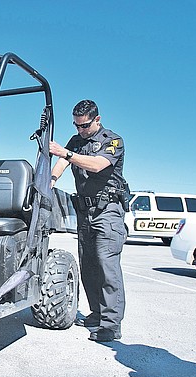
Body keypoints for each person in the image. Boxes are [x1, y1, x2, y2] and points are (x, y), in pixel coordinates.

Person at [49, 99, 127, 342]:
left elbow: (96, 165)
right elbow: (61, 164)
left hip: (108, 212)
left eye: (83, 126)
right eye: (76, 126)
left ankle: (111, 325)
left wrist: (67, 153)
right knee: (89, 266)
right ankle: (96, 314)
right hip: (85, 213)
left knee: (107, 268)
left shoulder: (112, 141)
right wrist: (49, 181)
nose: (79, 130)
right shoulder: (76, 142)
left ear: (97, 120)